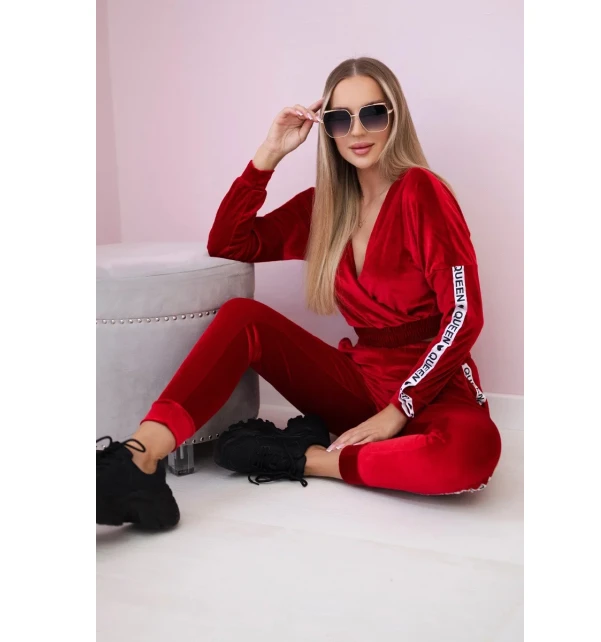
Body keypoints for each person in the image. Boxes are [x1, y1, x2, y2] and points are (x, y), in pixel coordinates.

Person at [96, 57, 502, 530]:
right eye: (340, 119)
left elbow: (464, 314)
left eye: (372, 113)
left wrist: (399, 410)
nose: (357, 131)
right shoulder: (323, 208)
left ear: (394, 118)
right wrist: (269, 153)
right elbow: (229, 243)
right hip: (362, 384)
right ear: (327, 130)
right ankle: (139, 460)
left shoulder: (421, 192)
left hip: (435, 391)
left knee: (473, 453)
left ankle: (303, 457)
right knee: (244, 317)